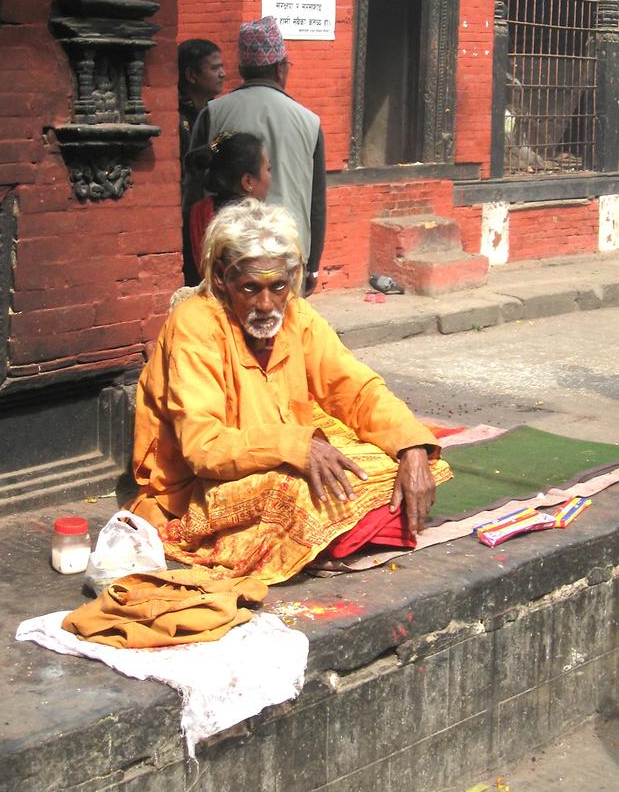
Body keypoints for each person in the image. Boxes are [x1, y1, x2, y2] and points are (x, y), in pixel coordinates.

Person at [129, 199, 451, 585]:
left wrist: (411, 447)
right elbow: (203, 448)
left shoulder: (296, 315)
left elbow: (355, 388)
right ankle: (325, 538)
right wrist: (295, 447)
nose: (267, 304)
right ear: (220, 279)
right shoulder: (195, 325)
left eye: (278, 286)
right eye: (251, 288)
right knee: (299, 493)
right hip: (201, 485)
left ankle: (335, 533)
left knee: (410, 466)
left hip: (279, 452)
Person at [188, 16, 326, 297]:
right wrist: (312, 264)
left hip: (227, 259)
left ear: (241, 69)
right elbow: (316, 202)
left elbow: (193, 186)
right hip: (287, 256)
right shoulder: (309, 121)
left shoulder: (214, 114)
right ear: (280, 69)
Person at [184, 132, 271, 282]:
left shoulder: (192, 216)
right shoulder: (260, 226)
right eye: (268, 169)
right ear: (248, 181)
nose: (270, 177)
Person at [177, 39, 226, 169]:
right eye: (215, 68)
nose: (222, 74)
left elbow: (218, 144)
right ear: (191, 75)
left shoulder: (215, 111)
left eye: (222, 67)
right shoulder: (175, 115)